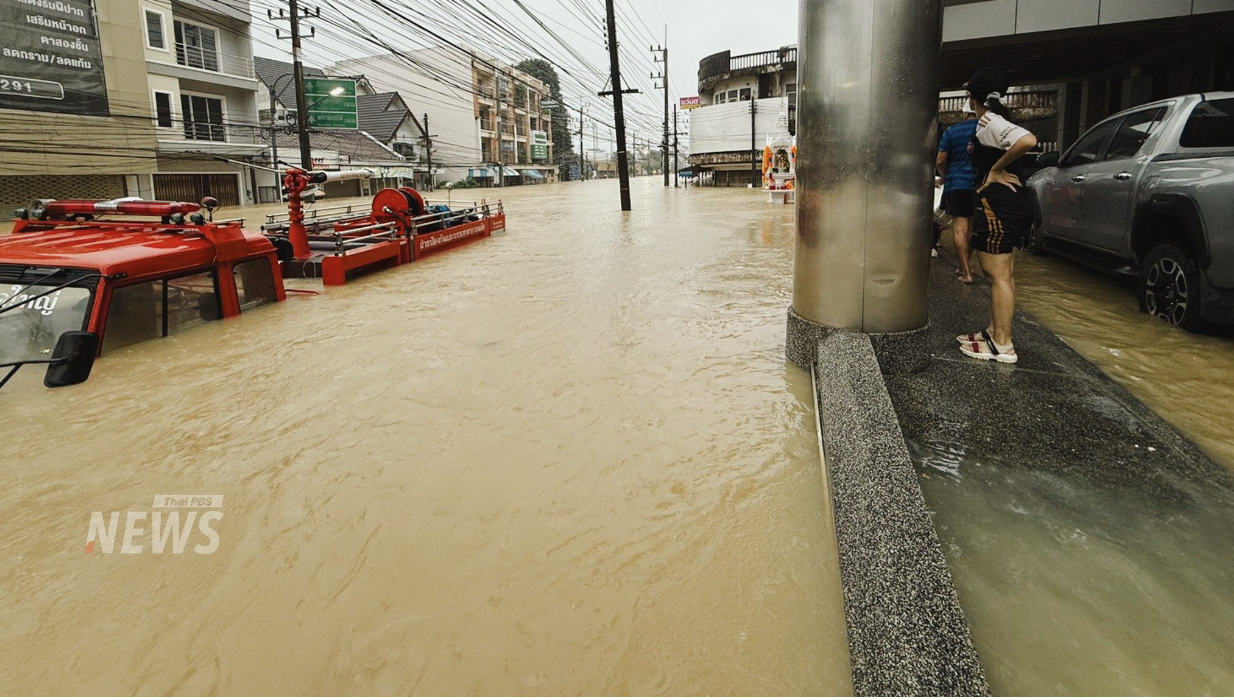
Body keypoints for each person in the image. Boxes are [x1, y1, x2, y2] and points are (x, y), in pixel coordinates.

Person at [957, 67, 1038, 365]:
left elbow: (1028, 141)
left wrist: (995, 169)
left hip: (1000, 206)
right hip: (1007, 205)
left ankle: (1002, 344)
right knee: (1004, 274)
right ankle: (995, 332)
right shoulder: (993, 120)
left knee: (997, 275)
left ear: (972, 96)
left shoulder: (990, 120)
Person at [936, 107, 979, 282]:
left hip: (958, 184)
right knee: (972, 228)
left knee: (960, 229)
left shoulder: (952, 131)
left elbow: (940, 160)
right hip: (980, 185)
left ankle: (965, 271)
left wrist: (945, 175)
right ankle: (965, 265)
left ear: (964, 113)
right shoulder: (986, 127)